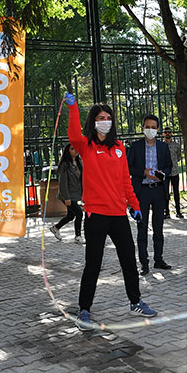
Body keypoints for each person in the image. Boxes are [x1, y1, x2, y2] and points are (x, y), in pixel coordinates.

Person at [64, 94, 156, 324]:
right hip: (96, 214)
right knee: (93, 263)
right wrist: (73, 108)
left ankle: (136, 302)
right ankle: (84, 309)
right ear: (93, 122)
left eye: (108, 118)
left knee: (128, 260)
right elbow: (73, 135)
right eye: (100, 118)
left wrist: (134, 205)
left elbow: (125, 179)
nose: (105, 121)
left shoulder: (119, 147)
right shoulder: (86, 145)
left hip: (118, 214)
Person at [127, 114, 174, 275]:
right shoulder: (135, 146)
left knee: (158, 227)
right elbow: (128, 167)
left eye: (153, 127)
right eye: (147, 127)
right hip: (142, 191)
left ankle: (158, 259)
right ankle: (144, 263)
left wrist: (162, 174)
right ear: (143, 128)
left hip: (159, 190)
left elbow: (169, 166)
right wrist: (143, 172)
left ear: (158, 129)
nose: (150, 130)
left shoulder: (163, 147)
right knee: (142, 228)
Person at [50, 143, 84, 244]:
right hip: (67, 194)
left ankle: (56, 228)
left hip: (75, 193)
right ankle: (78, 236)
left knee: (71, 215)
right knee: (79, 213)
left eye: (76, 148)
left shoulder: (78, 163)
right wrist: (67, 197)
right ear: (67, 151)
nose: (75, 150)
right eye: (72, 149)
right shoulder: (65, 165)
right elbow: (63, 183)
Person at [162, 127, 183, 219]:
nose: (167, 133)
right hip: (165, 173)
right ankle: (167, 212)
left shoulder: (176, 145)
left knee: (176, 192)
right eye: (166, 132)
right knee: (165, 193)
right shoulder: (161, 145)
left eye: (169, 132)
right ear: (163, 134)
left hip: (175, 172)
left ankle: (178, 211)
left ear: (172, 134)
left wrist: (173, 163)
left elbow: (179, 156)